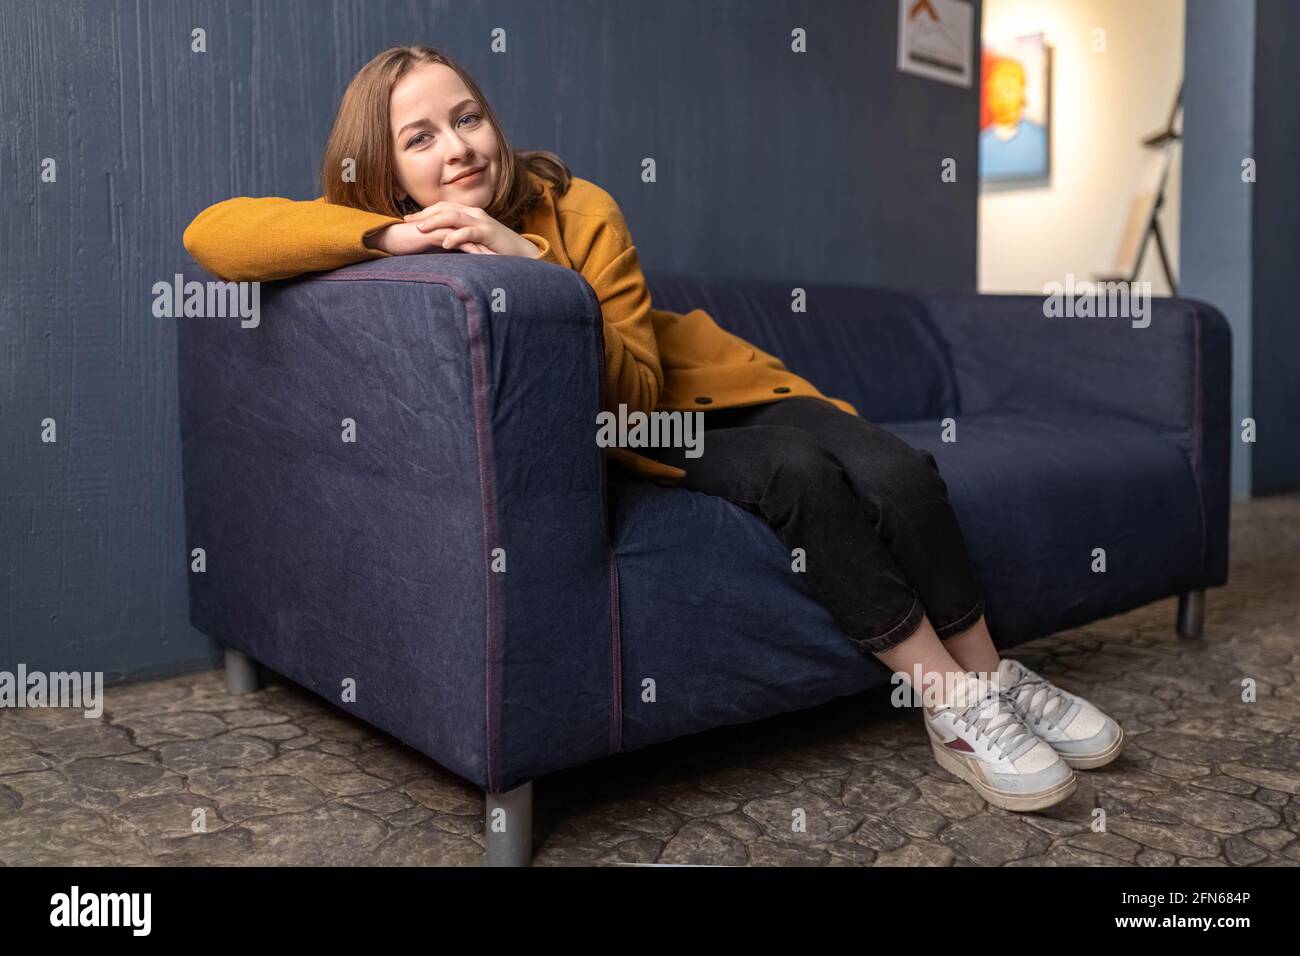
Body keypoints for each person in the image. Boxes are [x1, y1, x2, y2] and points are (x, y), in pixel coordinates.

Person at [182, 44, 1124, 814]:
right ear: (384, 170)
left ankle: (997, 677)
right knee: (798, 477)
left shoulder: (579, 206)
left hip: (714, 386)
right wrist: (391, 237)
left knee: (899, 468)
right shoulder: (384, 234)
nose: (457, 148)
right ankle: (952, 704)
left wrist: (529, 258)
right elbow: (213, 235)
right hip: (643, 432)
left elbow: (636, 371)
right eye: (420, 137)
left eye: (466, 117)